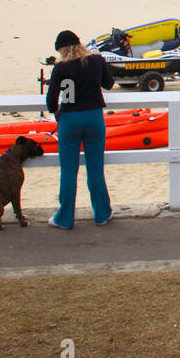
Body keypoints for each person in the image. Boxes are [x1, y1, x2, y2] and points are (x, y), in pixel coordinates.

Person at [45, 30, 115, 228]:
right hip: (93, 118)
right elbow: (109, 84)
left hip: (69, 120)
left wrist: (57, 112)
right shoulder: (96, 61)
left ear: (61, 50)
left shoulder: (60, 68)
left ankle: (65, 218)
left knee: (68, 171)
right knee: (95, 170)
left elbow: (51, 101)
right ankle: (102, 213)